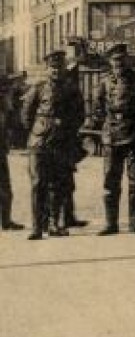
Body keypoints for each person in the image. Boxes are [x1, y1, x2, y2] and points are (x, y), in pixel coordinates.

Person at [22, 50, 85, 240]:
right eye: (53, 67)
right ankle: (36, 227)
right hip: (39, 143)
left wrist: (66, 128)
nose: (56, 71)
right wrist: (40, 128)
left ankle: (54, 224)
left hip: (61, 143)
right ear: (47, 69)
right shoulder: (38, 88)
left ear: (64, 68)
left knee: (57, 185)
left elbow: (79, 115)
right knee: (37, 184)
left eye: (60, 67)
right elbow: (26, 115)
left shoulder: (72, 89)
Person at [92, 43, 135, 234]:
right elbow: (97, 110)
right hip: (111, 136)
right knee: (110, 180)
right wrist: (103, 128)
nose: (119, 63)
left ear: (127, 60)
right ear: (110, 62)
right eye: (115, 60)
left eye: (122, 59)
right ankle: (111, 223)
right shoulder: (102, 83)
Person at [60, 39, 89, 230]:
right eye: (71, 50)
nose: (73, 54)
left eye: (76, 50)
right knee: (56, 180)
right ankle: (55, 218)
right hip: (56, 137)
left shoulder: (74, 74)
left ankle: (68, 217)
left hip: (68, 137)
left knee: (67, 179)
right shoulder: (62, 79)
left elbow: (79, 110)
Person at [0, 76, 23, 232]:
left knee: (5, 187)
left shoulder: (4, 103)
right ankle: (6, 221)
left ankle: (6, 221)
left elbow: (8, 124)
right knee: (4, 186)